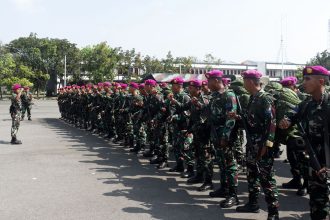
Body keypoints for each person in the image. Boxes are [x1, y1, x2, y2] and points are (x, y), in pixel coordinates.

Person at [279, 66, 330, 220]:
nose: (303, 83)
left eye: (308, 79)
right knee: (317, 200)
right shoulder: (307, 103)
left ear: (321, 81)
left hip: (328, 159)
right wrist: (286, 120)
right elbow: (293, 113)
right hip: (315, 161)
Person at [234, 70, 279, 220]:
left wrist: (267, 145)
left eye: (245, 80)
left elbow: (271, 123)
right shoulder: (252, 98)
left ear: (252, 81)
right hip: (252, 144)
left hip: (262, 146)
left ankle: (273, 212)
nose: (243, 83)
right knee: (252, 175)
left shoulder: (265, 98)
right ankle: (253, 204)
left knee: (267, 178)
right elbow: (251, 121)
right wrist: (239, 117)